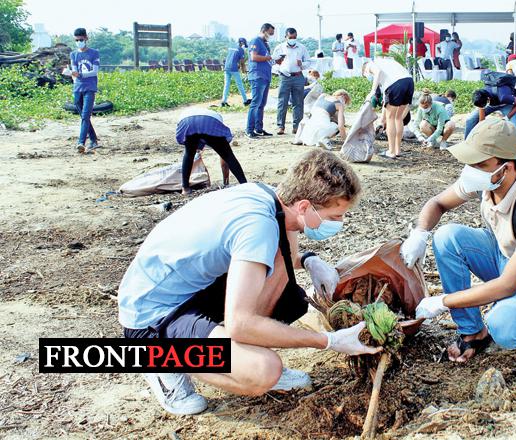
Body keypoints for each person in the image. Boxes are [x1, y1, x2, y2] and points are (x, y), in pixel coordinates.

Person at [118, 150, 380, 415]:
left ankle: (239, 351)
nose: (340, 223)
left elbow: (280, 255)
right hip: (153, 316)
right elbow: (241, 324)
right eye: (335, 216)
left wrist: (309, 259)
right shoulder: (258, 226)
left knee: (287, 280)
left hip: (188, 288)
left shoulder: (271, 199)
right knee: (263, 370)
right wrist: (328, 340)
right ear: (304, 206)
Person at [400, 119, 516, 361]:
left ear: (507, 167)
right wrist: (420, 233)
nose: (471, 169)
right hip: (503, 254)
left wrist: (444, 301)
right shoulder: (488, 179)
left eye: (479, 163)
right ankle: (473, 332)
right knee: (447, 237)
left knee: (504, 328)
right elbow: (437, 203)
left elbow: (508, 284)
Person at [176, 108, 247, 195]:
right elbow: (224, 159)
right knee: (228, 155)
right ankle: (244, 184)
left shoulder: (190, 113)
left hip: (186, 121)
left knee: (189, 154)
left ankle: (185, 188)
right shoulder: (217, 119)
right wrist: (226, 181)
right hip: (209, 122)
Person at [363, 57, 414, 159]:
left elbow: (377, 72)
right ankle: (397, 150)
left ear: (364, 70)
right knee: (398, 118)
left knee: (391, 118)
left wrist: (372, 92)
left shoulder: (370, 64)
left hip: (396, 84)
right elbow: (385, 104)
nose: (370, 76)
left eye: (366, 75)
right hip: (409, 82)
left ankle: (391, 151)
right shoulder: (388, 62)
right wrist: (382, 120)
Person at [273, 28, 311, 135]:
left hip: (298, 76)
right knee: (282, 102)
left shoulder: (302, 47)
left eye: (294, 37)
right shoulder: (280, 48)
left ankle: (297, 126)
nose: (292, 39)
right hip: (284, 77)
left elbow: (308, 61)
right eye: (290, 37)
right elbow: (273, 61)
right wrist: (279, 68)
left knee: (298, 102)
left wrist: (302, 64)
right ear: (286, 37)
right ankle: (280, 126)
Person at [69, 28, 100, 154]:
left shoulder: (94, 53)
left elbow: (94, 71)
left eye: (81, 40)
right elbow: (74, 70)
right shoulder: (73, 54)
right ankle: (93, 139)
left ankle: (81, 142)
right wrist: (73, 76)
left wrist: (79, 75)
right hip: (77, 88)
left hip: (90, 87)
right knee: (83, 116)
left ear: (86, 38)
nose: (79, 42)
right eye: (77, 40)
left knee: (86, 115)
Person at [246, 23, 276, 138]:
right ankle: (249, 129)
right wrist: (269, 57)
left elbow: (267, 59)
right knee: (256, 103)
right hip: (257, 75)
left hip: (265, 75)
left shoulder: (265, 44)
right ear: (264, 31)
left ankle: (258, 128)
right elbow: (253, 57)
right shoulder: (256, 41)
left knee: (261, 104)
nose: (271, 36)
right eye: (270, 33)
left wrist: (274, 60)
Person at [221, 38, 250, 108]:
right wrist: (244, 71)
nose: (244, 46)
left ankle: (223, 101)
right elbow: (242, 62)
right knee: (240, 85)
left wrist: (239, 65)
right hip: (233, 68)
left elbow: (233, 58)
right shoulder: (241, 50)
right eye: (244, 44)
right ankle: (245, 101)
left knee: (226, 85)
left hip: (226, 67)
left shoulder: (231, 47)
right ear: (242, 43)